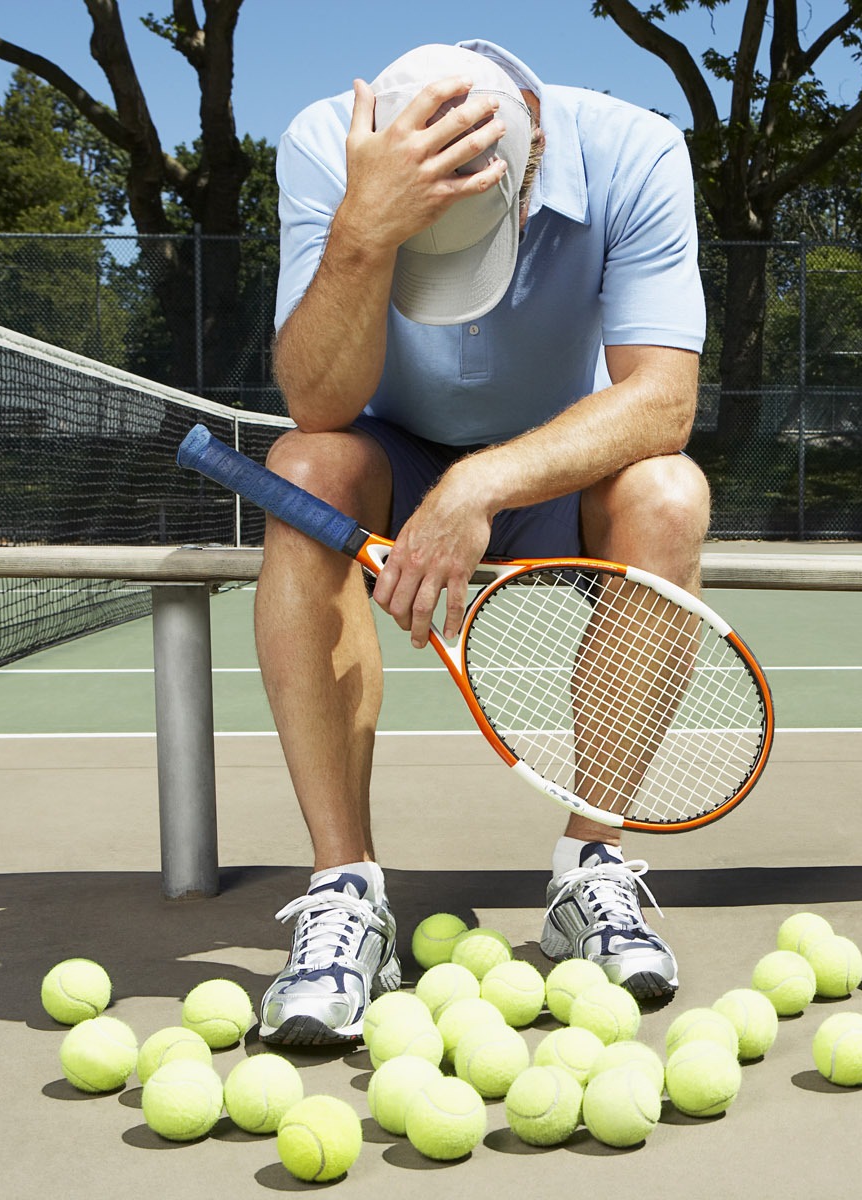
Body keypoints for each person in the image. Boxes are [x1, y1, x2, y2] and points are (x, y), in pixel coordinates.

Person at [257, 39, 708, 1046]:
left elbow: (663, 401)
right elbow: (318, 401)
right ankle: (345, 888)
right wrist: (365, 232)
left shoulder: (636, 149)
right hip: (387, 460)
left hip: (555, 465)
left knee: (671, 494)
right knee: (303, 470)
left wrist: (482, 483)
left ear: (533, 144)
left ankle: (590, 868)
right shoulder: (325, 142)